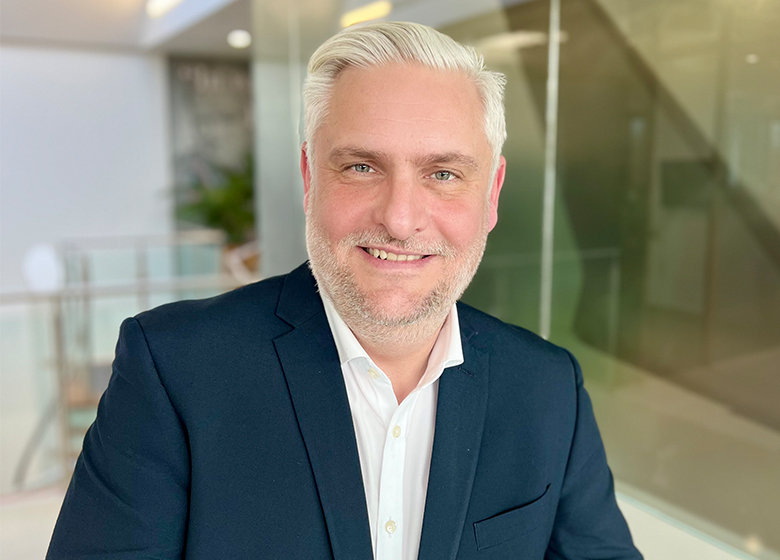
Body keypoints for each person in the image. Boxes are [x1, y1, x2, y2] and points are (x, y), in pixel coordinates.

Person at [47, 22, 642, 560]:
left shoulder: (548, 388)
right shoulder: (174, 369)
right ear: (310, 177)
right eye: (362, 167)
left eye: (443, 174)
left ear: (492, 194)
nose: (400, 220)